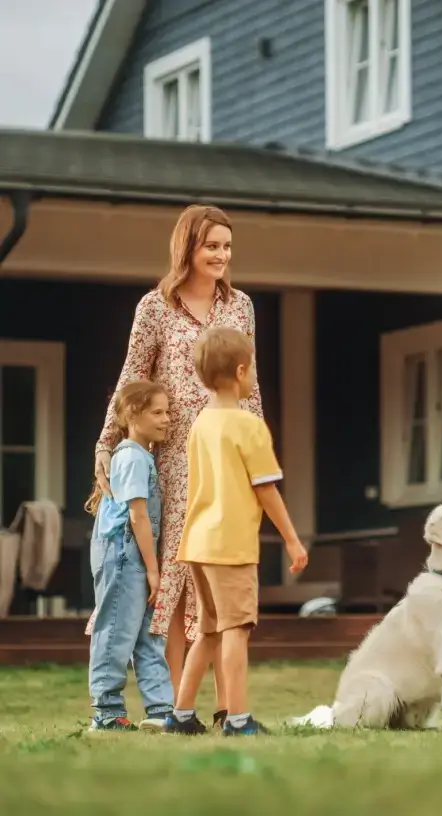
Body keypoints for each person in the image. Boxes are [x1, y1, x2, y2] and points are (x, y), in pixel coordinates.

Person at [89, 204, 264, 728]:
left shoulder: (241, 307)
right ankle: (170, 709)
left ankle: (223, 707)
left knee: (222, 582)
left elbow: (249, 382)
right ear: (187, 246)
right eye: (211, 245)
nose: (221, 256)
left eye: (227, 247)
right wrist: (107, 440)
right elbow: (131, 377)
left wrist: (257, 456)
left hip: (226, 460)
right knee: (178, 582)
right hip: (172, 462)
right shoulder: (154, 307)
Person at [164, 326, 309, 736]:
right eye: (254, 369)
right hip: (231, 547)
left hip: (197, 542)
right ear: (243, 370)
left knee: (207, 631)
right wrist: (293, 540)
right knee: (235, 631)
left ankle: (181, 715)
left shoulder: (201, 424)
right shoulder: (249, 427)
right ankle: (238, 719)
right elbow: (266, 490)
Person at [85, 379, 175, 732]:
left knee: (149, 633)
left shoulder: (141, 455)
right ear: (132, 415)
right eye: (158, 412)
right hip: (124, 555)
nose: (167, 419)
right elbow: (137, 515)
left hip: (136, 557)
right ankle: (106, 713)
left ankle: (160, 710)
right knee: (116, 632)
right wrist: (153, 570)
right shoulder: (132, 457)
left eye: (168, 411)